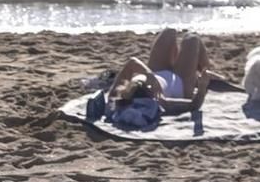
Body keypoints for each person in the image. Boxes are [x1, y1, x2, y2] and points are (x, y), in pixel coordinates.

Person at [103, 26, 240, 119]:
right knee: (192, 39)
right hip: (180, 82)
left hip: (157, 71)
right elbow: (193, 105)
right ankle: (206, 71)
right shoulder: (160, 102)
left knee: (169, 32)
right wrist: (202, 87)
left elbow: (132, 62)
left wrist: (150, 75)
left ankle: (202, 73)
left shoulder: (119, 98)